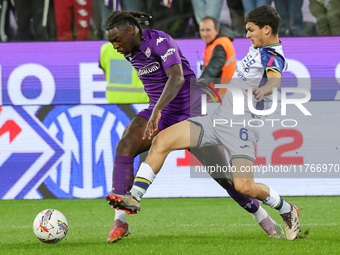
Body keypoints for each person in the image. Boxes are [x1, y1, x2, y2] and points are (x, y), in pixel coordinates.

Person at [107, 6, 301, 241]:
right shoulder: (257, 48)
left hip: (240, 127)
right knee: (162, 140)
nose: (247, 35)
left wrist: (265, 89)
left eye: (250, 30)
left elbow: (275, 79)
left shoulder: (272, 54)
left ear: (266, 30)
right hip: (218, 119)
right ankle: (132, 198)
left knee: (242, 186)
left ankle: (285, 210)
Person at [199, 16, 236, 96]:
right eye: (202, 30)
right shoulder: (215, 42)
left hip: (222, 95)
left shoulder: (220, 45)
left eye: (208, 30)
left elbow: (212, 69)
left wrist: (199, 87)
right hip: (223, 94)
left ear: (217, 30)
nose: (204, 34)